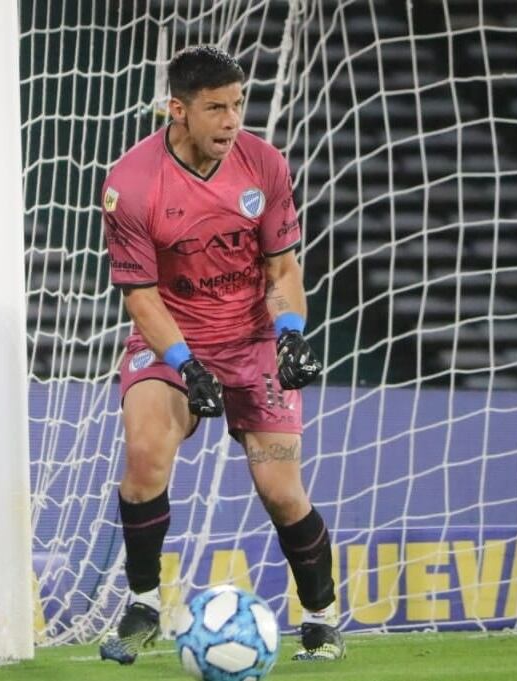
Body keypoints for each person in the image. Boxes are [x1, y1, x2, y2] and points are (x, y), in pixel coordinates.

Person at [97, 46, 343, 664]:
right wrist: (186, 364)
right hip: (171, 339)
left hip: (254, 341)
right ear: (177, 109)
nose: (232, 121)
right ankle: (145, 605)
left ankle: (321, 618)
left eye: (237, 105)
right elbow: (142, 299)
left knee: (282, 490)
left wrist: (289, 332)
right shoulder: (130, 185)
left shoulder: (263, 163)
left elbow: (282, 267)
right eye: (216, 108)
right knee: (146, 454)